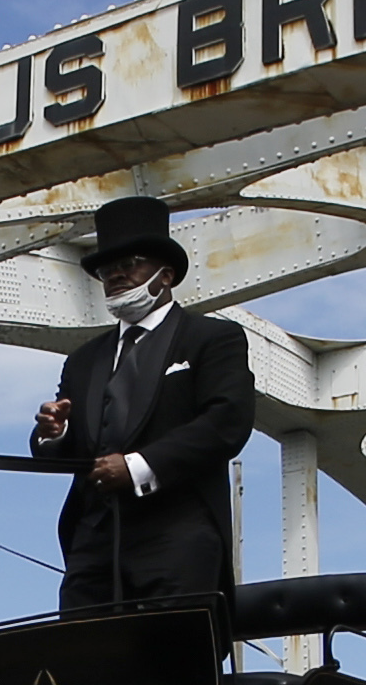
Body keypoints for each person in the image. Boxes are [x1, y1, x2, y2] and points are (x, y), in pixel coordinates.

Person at [27, 195, 257, 613]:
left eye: (129, 263)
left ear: (165, 274)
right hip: (93, 543)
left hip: (177, 537)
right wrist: (52, 435)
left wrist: (136, 467)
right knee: (85, 660)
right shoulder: (82, 361)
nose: (114, 274)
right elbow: (72, 453)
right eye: (105, 268)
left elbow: (227, 422)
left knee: (172, 662)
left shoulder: (211, 339)